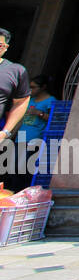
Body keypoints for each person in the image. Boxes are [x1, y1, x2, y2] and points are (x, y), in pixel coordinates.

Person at [11, 73, 55, 191]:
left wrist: (39, 113)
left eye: (34, 87)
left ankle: (22, 190)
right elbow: (21, 118)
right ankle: (14, 191)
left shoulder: (50, 100)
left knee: (24, 167)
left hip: (34, 138)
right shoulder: (30, 99)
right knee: (14, 167)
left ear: (43, 87)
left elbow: (53, 119)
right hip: (20, 137)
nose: (31, 90)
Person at [0, 27, 31, 192]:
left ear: (6, 47)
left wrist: (5, 132)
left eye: (0, 45)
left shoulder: (15, 71)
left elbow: (22, 100)